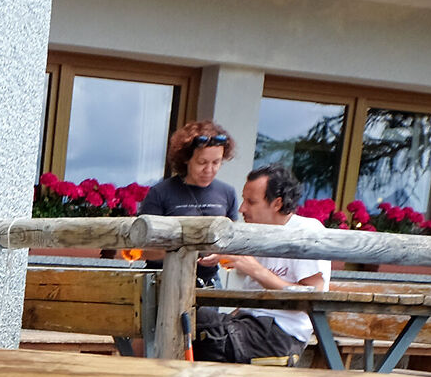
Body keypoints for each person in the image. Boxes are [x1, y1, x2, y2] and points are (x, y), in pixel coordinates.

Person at [193, 164, 328, 364]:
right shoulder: (256, 231)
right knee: (190, 319)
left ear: (277, 203)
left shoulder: (306, 232)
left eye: (251, 202)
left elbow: (312, 297)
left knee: (202, 326)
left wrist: (254, 269)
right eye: (243, 200)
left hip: (281, 334)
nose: (241, 209)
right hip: (247, 324)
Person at [139, 122, 239, 221]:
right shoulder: (159, 193)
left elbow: (233, 234)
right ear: (186, 159)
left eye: (216, 162)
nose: (208, 170)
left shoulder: (228, 193)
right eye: (202, 162)